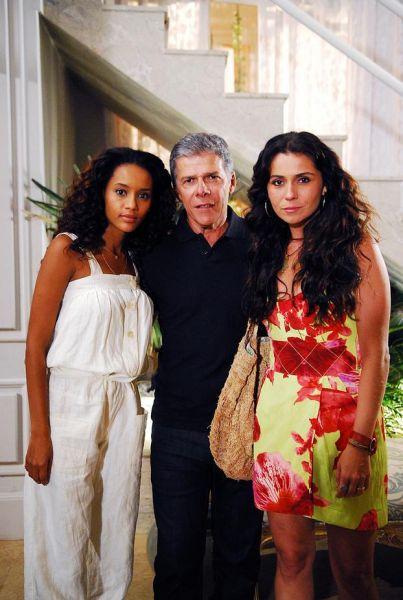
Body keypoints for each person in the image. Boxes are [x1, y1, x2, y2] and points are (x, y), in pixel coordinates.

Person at [24, 147, 176, 599]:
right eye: (121, 192)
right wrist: (40, 433)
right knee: (66, 526)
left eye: (143, 195)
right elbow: (35, 347)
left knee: (114, 524)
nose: (132, 205)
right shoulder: (69, 250)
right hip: (71, 403)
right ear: (101, 193)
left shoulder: (134, 259)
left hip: (124, 406)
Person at [245, 131, 389, 600]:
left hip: (347, 426)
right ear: (266, 188)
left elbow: (377, 355)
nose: (289, 194)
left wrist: (360, 445)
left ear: (325, 182)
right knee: (290, 559)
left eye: (302, 179)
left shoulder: (357, 248)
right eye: (277, 182)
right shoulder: (264, 247)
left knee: (354, 574)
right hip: (279, 424)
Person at [140, 133, 263, 600]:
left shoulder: (264, 248)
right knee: (176, 559)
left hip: (245, 424)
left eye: (212, 177)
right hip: (176, 426)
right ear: (177, 189)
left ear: (231, 181)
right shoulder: (153, 252)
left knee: (239, 557)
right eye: (189, 180)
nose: (202, 190)